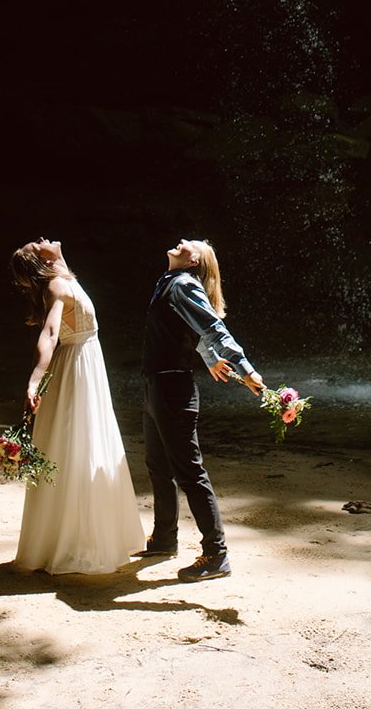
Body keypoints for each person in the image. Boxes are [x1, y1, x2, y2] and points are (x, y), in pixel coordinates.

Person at [10, 237, 143, 575]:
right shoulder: (56, 286)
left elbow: (61, 271)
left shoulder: (62, 276)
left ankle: (78, 535)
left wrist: (58, 257)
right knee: (79, 447)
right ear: (42, 261)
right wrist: (33, 380)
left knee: (86, 444)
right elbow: (50, 334)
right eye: (36, 244)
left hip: (85, 363)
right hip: (75, 369)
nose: (43, 238)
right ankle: (71, 541)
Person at [140, 237, 263, 582]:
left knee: (189, 472)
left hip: (172, 389)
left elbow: (212, 327)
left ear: (194, 262)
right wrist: (209, 359)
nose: (180, 242)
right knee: (157, 465)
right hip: (156, 385)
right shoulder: (170, 283)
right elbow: (190, 330)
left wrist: (245, 369)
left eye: (189, 244)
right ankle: (164, 538)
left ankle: (216, 554)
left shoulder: (182, 284)